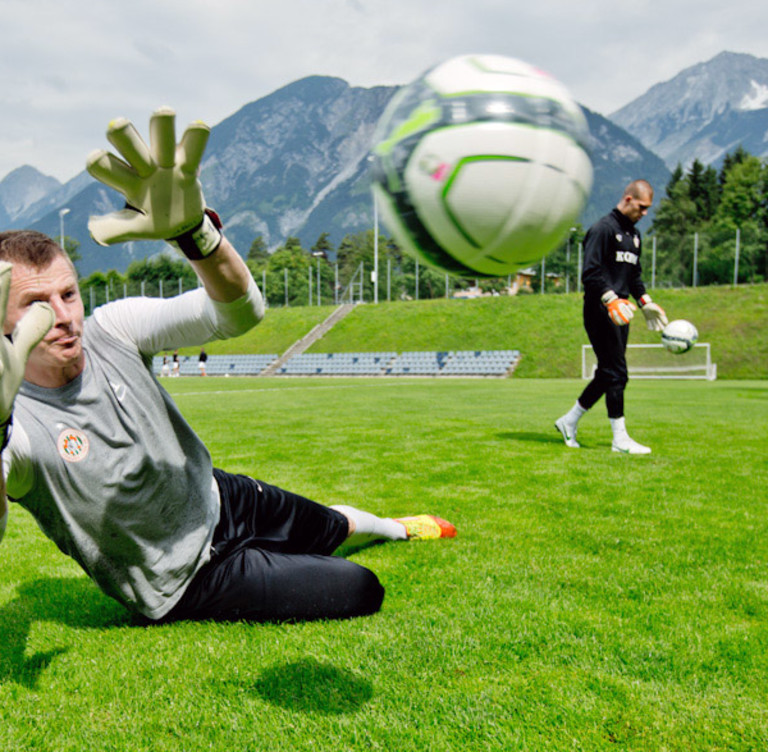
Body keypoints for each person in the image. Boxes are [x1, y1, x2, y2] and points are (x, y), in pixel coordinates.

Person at [0, 108, 456, 624]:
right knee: (358, 587)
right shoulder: (13, 422)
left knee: (335, 527)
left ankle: (396, 527)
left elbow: (239, 313)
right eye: (38, 304)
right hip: (185, 581)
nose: (63, 317)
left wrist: (197, 235)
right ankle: (285, 560)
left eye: (69, 294)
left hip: (218, 497)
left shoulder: (112, 329)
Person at [555, 180, 668, 454]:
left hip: (622, 312)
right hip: (600, 309)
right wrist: (610, 298)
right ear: (628, 199)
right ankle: (620, 440)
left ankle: (568, 421)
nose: (644, 213)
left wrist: (645, 302)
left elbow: (634, 277)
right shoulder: (602, 229)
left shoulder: (635, 236)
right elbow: (591, 272)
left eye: (647, 209)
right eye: (641, 207)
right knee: (618, 373)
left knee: (608, 373)